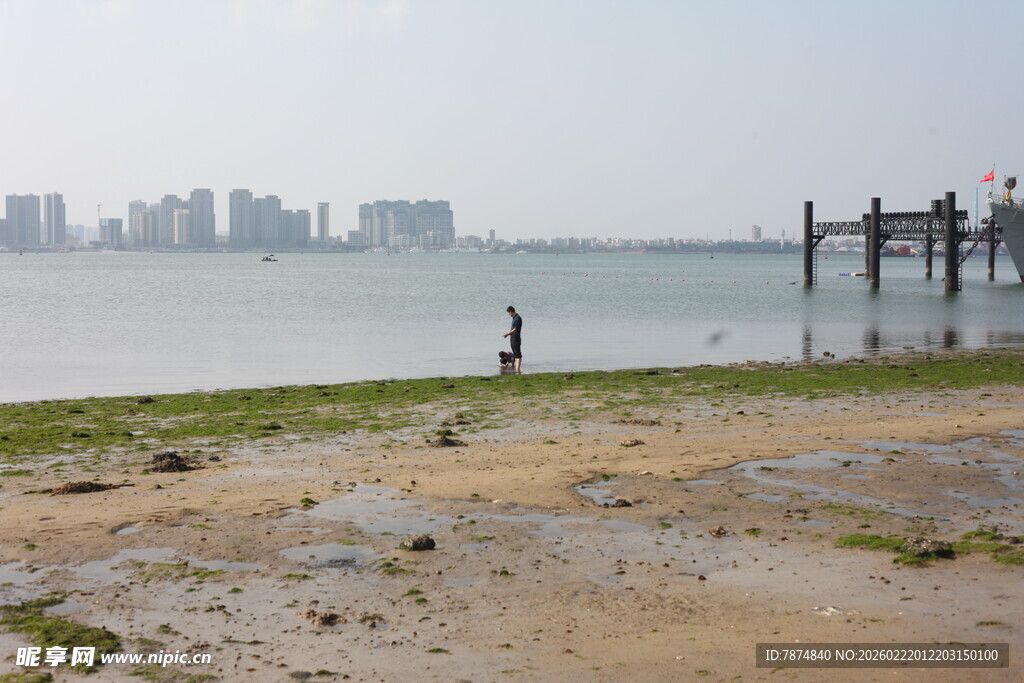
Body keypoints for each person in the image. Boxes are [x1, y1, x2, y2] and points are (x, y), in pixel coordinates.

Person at [502, 306, 523, 372]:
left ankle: (517, 369)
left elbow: (515, 329)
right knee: (515, 353)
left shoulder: (518, 318)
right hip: (512, 337)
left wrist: (507, 334)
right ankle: (516, 368)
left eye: (508, 313)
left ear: (511, 311)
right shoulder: (514, 318)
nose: (509, 314)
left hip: (516, 337)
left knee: (517, 353)